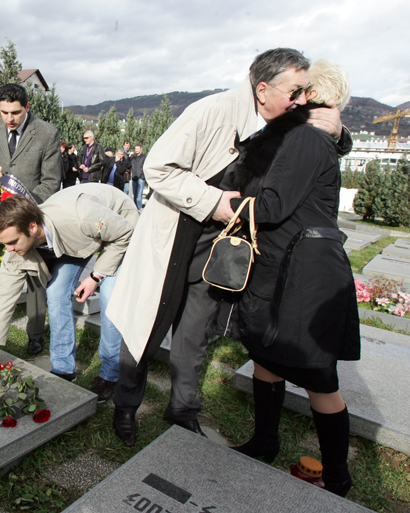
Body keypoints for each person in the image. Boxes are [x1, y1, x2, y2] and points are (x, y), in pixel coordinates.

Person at [106, 48, 352, 447]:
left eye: (306, 92)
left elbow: (314, 152)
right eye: (296, 92)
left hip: (221, 243)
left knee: (196, 330)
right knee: (147, 324)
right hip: (177, 231)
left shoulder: (287, 121)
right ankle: (126, 405)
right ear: (262, 89)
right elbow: (157, 167)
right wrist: (213, 202)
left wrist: (341, 135)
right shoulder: (212, 111)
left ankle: (183, 409)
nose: (303, 101)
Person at [229, 58, 359, 498]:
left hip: (304, 274)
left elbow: (272, 205)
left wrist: (235, 200)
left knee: (320, 375)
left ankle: (337, 477)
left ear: (315, 100)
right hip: (286, 264)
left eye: (302, 92)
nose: (295, 98)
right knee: (266, 354)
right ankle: (265, 441)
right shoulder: (303, 134)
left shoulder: (306, 136)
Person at [0, 183, 138, 403]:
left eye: (12, 242)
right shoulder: (16, 250)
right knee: (56, 292)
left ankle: (110, 375)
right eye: (5, 243)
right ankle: (64, 368)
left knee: (110, 297)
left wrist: (96, 276)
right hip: (76, 240)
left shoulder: (81, 216)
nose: (8, 249)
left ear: (32, 227)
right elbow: (4, 299)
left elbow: (124, 232)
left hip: (118, 227)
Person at [0, 83, 61, 355]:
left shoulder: (46, 133)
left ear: (27, 107)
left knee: (33, 278)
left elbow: (51, 182)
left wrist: (25, 206)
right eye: (4, 112)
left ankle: (35, 334)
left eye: (16, 113)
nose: (9, 119)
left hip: (29, 218)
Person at [130, 144, 146, 209]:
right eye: (136, 149)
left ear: (141, 149)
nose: (136, 150)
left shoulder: (144, 157)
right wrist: (129, 157)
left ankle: (139, 209)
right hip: (134, 177)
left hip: (140, 178)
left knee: (139, 196)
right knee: (134, 195)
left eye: (138, 149)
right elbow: (128, 165)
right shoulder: (133, 158)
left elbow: (145, 167)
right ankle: (135, 209)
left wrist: (142, 176)